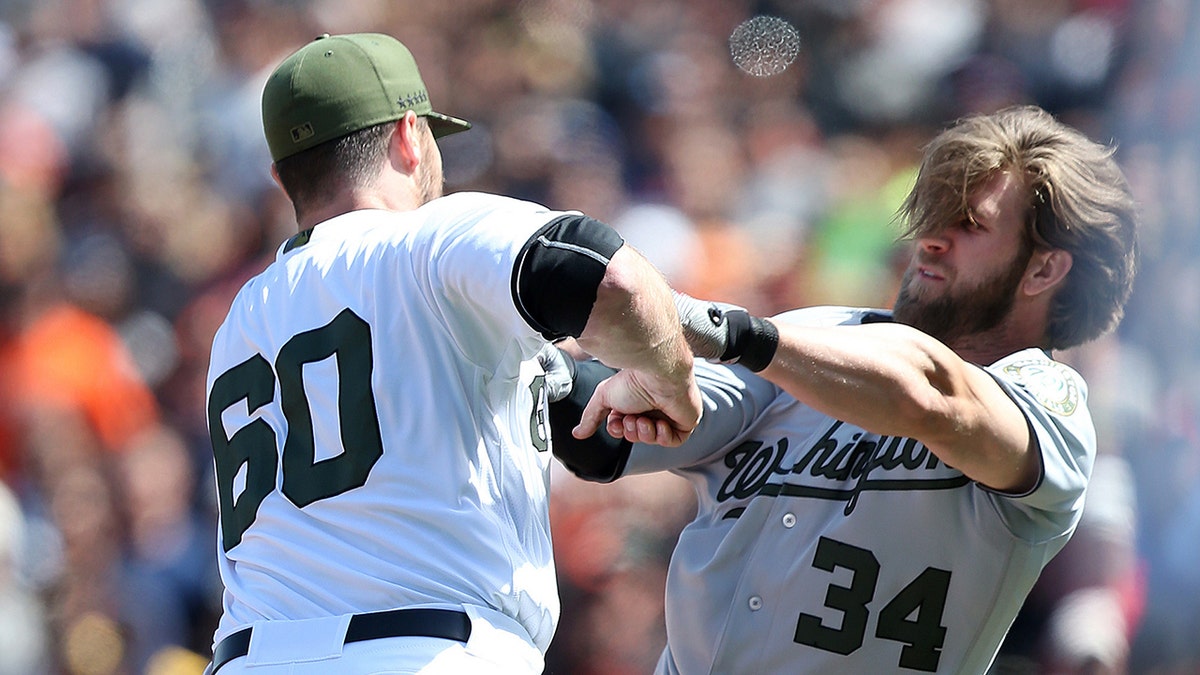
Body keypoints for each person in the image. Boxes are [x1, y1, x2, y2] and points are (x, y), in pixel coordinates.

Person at [545, 105, 1138, 674]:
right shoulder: (819, 335)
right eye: (936, 214)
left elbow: (929, 394)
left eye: (970, 225)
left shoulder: (1049, 406)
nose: (931, 237)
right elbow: (608, 427)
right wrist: (547, 375)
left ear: (1043, 270)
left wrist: (725, 330)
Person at [203, 32, 701, 675]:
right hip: (424, 649)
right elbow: (607, 274)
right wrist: (671, 376)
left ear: (282, 178)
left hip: (250, 657)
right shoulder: (423, 240)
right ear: (409, 135)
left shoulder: (239, 319)